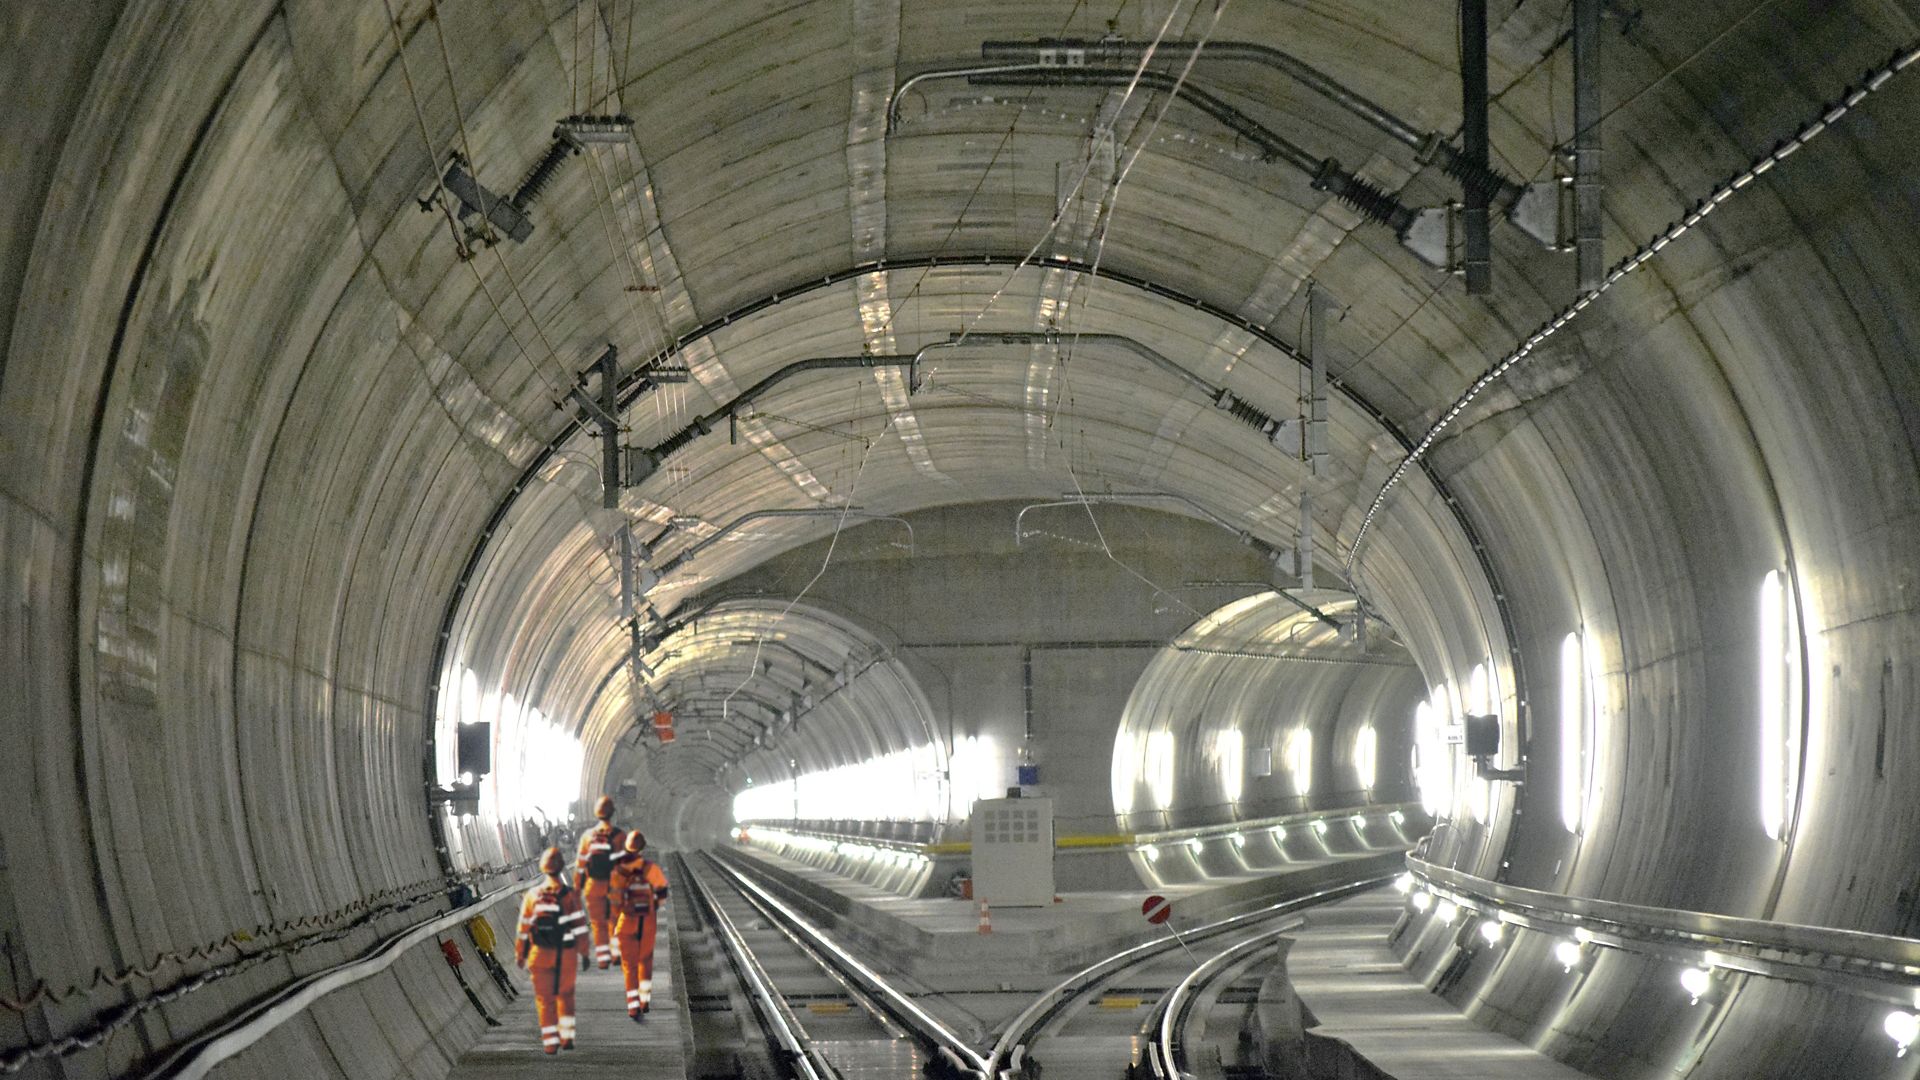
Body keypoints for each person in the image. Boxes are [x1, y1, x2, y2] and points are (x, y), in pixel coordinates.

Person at [514, 847, 589, 1054]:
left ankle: (550, 1040)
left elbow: (524, 928)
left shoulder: (532, 895)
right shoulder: (569, 895)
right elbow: (580, 925)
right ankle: (566, 1037)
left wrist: (521, 954)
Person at [608, 830, 670, 1019]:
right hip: (647, 922)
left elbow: (614, 901)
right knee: (645, 962)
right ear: (643, 848)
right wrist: (652, 907)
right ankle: (645, 1001)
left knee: (629, 965)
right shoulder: (651, 869)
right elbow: (662, 893)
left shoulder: (618, 870)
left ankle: (633, 1006)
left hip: (626, 921)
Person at [575, 795, 625, 969]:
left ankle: (604, 957)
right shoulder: (619, 835)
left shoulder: (588, 836)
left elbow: (581, 863)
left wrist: (578, 885)